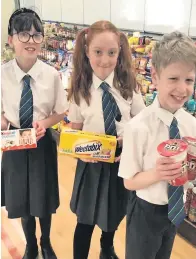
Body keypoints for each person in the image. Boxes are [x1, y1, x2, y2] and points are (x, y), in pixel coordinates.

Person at [118, 31, 196, 259]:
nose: (182, 89)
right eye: (173, 79)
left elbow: (190, 173)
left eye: (189, 80)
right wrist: (158, 172)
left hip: (175, 210)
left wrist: (193, 171)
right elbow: (129, 181)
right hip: (145, 210)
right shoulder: (138, 127)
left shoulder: (191, 125)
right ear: (154, 77)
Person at [67, 21, 145, 259]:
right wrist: (79, 150)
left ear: (120, 51)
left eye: (111, 53)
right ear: (87, 51)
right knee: (85, 221)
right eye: (97, 52)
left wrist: (128, 137)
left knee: (113, 214)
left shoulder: (129, 87)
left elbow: (142, 123)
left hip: (120, 164)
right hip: (90, 167)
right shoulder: (81, 90)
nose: (104, 60)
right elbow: (73, 133)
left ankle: (107, 246)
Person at [1, 8, 68, 259]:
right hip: (15, 141)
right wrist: (5, 125)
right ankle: (30, 243)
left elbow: (61, 112)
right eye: (24, 35)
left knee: (43, 198)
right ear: (11, 40)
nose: (31, 41)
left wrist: (44, 123)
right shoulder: (2, 74)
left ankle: (46, 242)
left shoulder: (51, 74)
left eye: (36, 35)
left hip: (42, 142)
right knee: (22, 199)